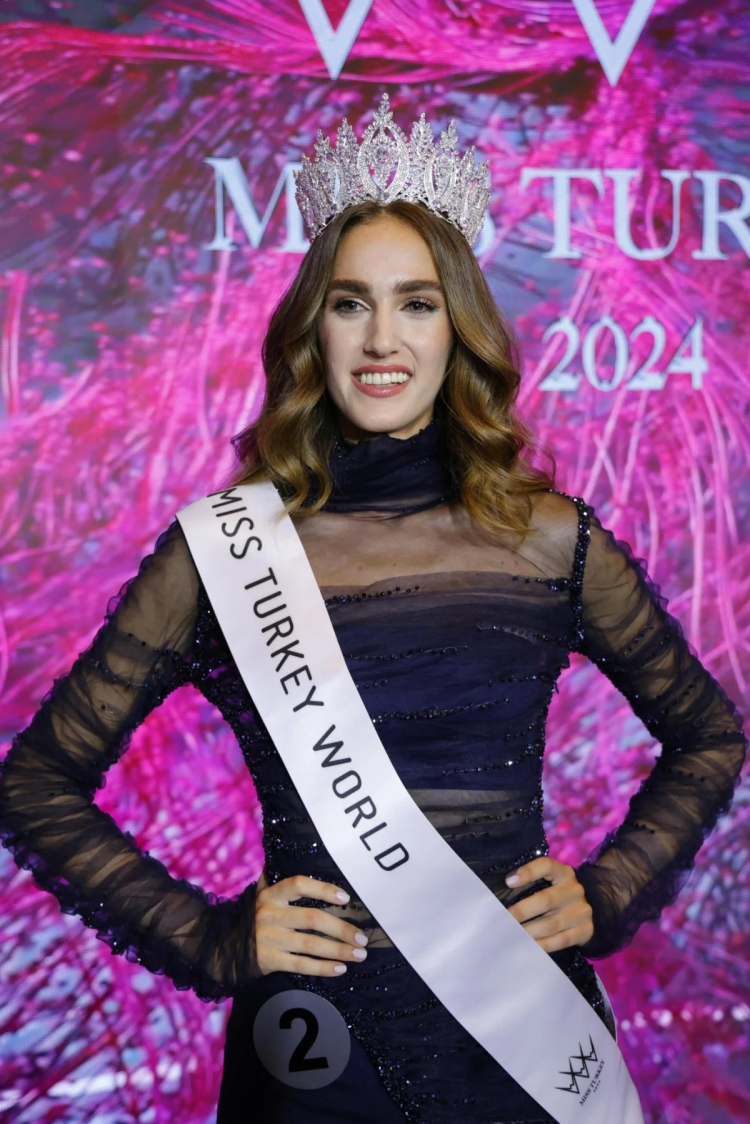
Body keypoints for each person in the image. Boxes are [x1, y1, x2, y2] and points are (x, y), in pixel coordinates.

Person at [0, 95, 746, 1124]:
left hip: (523, 1039)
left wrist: (610, 891)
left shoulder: (546, 538)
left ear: (458, 328)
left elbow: (709, 734)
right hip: (316, 1052)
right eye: (351, 303)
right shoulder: (224, 552)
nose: (382, 338)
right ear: (315, 326)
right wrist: (209, 937)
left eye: (418, 303)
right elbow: (36, 782)